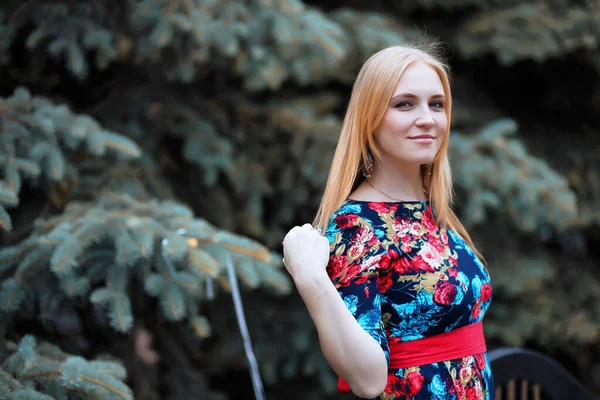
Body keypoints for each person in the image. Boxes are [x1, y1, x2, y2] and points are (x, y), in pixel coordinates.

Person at [282, 43, 494, 400]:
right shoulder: (357, 227)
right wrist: (311, 279)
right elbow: (367, 381)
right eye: (405, 104)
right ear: (370, 118)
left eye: (436, 104)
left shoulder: (433, 209)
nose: (427, 118)